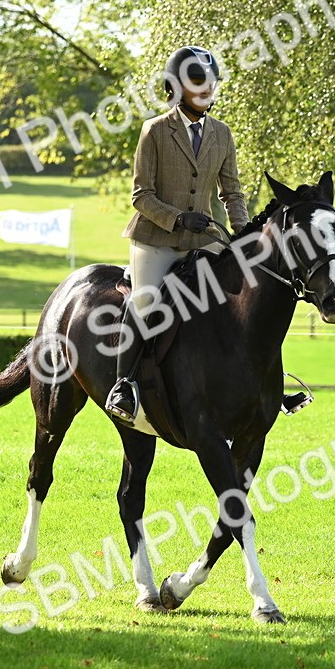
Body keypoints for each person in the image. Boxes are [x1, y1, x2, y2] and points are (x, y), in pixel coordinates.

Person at [104, 46, 249, 424]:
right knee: (145, 302)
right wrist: (179, 218)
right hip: (156, 238)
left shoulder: (222, 133)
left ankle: (260, 380)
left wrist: (244, 233)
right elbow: (141, 195)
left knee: (245, 294)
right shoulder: (154, 130)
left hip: (204, 238)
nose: (207, 90)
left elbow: (231, 192)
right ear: (177, 86)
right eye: (198, 82)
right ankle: (124, 386)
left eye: (211, 83)